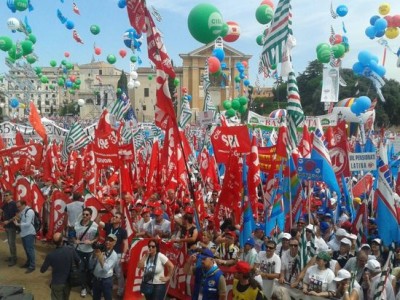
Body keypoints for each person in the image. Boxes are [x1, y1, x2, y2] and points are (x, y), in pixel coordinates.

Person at [40, 233, 81, 300]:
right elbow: (79, 261)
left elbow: (42, 270)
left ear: (53, 242)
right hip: (68, 282)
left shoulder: (50, 255)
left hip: (57, 283)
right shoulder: (70, 249)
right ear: (62, 240)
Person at [99, 212, 128, 298]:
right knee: (105, 272)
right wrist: (99, 215)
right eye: (114, 216)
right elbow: (98, 223)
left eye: (116, 217)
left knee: (119, 274)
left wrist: (123, 255)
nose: (114, 218)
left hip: (117, 254)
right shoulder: (108, 226)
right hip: (106, 253)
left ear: (120, 220)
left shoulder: (123, 231)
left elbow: (125, 243)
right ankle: (104, 289)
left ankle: (120, 291)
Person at [73, 207, 99, 298]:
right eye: (84, 214)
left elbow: (98, 237)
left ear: (91, 216)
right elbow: (72, 234)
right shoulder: (76, 224)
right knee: (81, 270)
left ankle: (91, 287)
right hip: (79, 250)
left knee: (90, 270)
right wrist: (75, 240)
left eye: (87, 214)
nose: (84, 216)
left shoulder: (95, 226)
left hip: (89, 252)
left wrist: (91, 242)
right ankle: (83, 287)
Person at [90, 233, 119, 300]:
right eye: (107, 240)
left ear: (114, 243)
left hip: (106, 281)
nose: (108, 242)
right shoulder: (101, 249)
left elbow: (106, 269)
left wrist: (100, 256)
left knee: (107, 298)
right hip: (96, 279)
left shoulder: (114, 255)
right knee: (95, 298)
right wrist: (94, 256)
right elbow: (90, 264)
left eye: (111, 240)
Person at [13, 200, 36, 273]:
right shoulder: (23, 211)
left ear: (24, 205)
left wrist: (18, 224)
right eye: (17, 207)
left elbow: (28, 223)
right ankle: (28, 263)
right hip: (24, 233)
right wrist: (18, 219)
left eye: (19, 206)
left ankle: (32, 266)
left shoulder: (29, 211)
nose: (18, 208)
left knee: (30, 250)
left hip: (29, 233)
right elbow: (23, 220)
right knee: (27, 249)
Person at [0, 191, 18, 266]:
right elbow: (1, 210)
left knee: (12, 243)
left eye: (7, 195)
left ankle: (14, 258)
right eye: (4, 195)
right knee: (9, 243)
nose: (5, 197)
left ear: (11, 196)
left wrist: (8, 221)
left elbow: (17, 216)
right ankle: (12, 256)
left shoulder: (14, 204)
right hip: (6, 226)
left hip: (12, 226)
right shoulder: (5, 204)